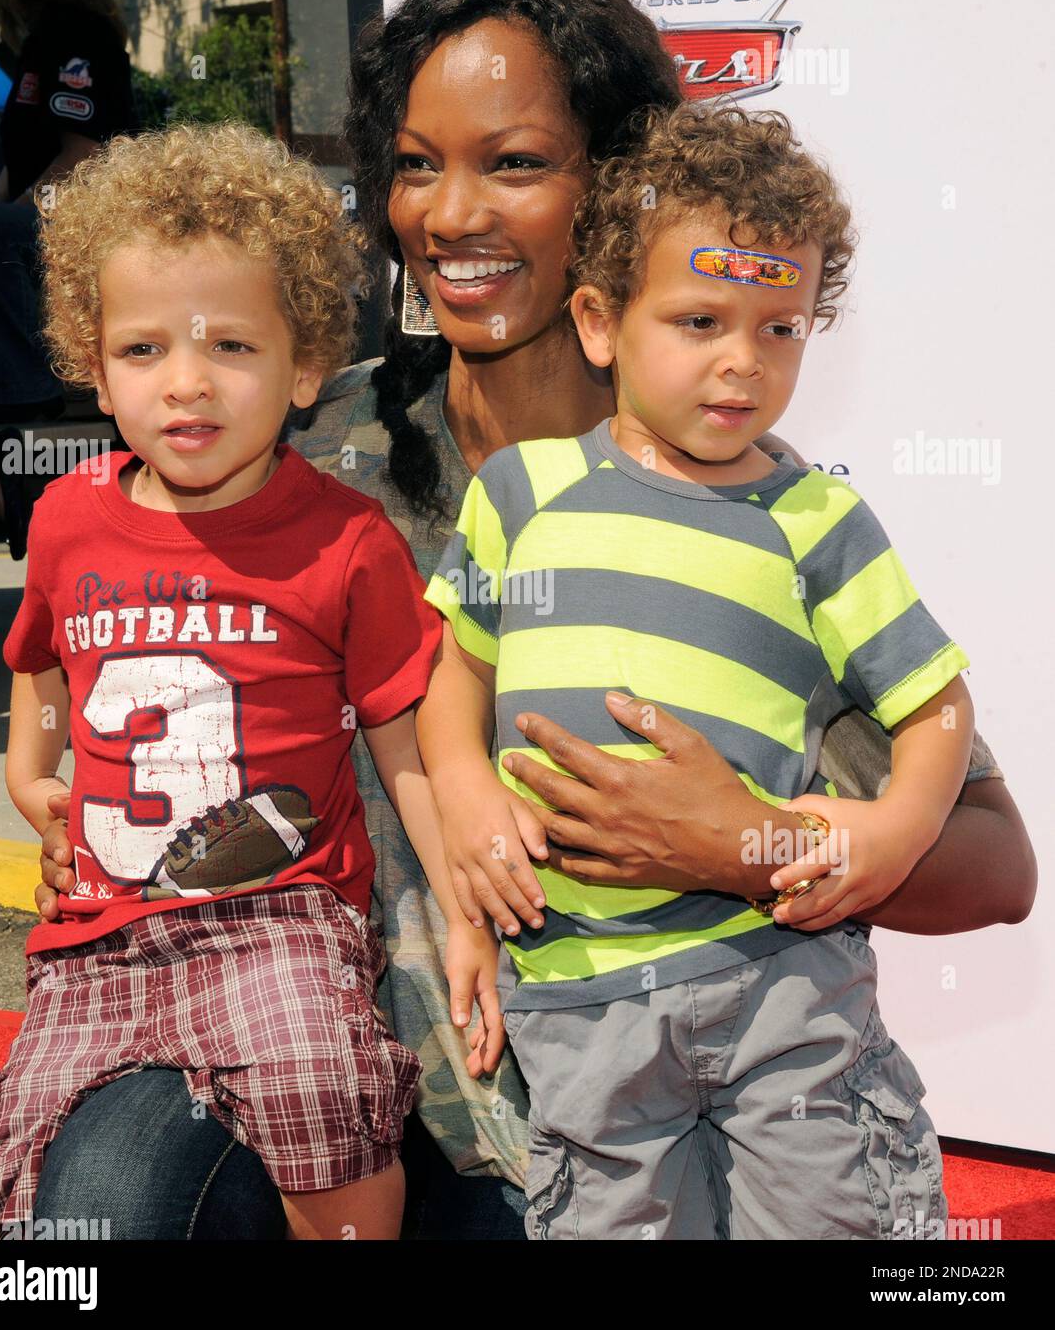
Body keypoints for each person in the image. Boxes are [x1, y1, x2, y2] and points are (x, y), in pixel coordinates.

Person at [29, 0, 1036, 1241]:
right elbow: (93, 598)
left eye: (510, 163)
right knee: (85, 1226)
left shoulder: (749, 513)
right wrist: (64, 762)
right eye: (412, 164)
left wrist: (740, 844)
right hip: (306, 1074)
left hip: (587, 1120)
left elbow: (993, 865)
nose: (449, 214)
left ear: (620, 189)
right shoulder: (296, 447)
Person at [417, 99, 978, 1239]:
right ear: (598, 322)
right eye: (698, 320)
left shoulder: (814, 519)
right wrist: (471, 802)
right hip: (573, 1004)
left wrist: (888, 832)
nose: (741, 362)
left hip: (779, 983)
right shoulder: (515, 498)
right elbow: (451, 681)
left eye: (779, 328)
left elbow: (937, 703)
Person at [0, 121, 506, 1241]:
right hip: (98, 935)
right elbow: (43, 661)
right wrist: (27, 778)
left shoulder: (343, 541)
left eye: (231, 349)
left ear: (304, 364)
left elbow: (406, 746)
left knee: (322, 1094)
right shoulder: (64, 521)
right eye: (145, 349)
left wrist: (461, 916)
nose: (187, 384)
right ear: (94, 366)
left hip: (278, 919)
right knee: (22, 1200)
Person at [0, 0, 134, 423]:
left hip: (91, 228)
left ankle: (24, 390)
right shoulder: (41, 40)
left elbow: (86, 154)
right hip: (59, 221)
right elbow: (20, 161)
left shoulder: (78, 35)